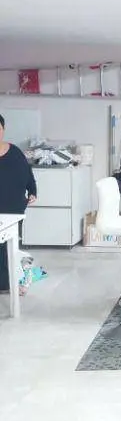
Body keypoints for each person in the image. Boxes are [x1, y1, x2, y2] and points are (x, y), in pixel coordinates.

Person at [0, 114, 37, 292]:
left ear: (3, 130)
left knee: (11, 247)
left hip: (14, 209)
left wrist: (33, 191)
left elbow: (28, 175)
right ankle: (6, 283)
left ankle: (19, 280)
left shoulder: (15, 152)